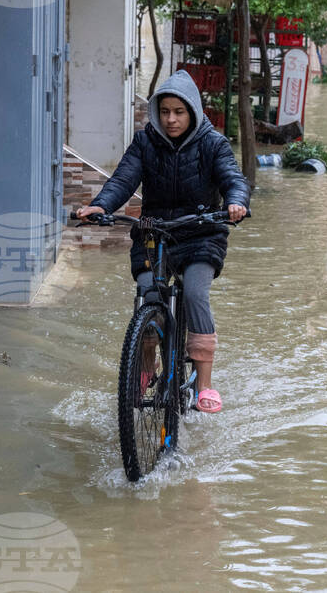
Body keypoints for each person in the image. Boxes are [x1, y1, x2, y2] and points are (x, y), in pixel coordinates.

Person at [77, 70, 250, 413]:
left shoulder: (213, 143)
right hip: (154, 234)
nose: (171, 119)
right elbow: (123, 179)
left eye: (179, 112)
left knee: (195, 293)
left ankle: (204, 385)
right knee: (147, 297)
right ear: (157, 112)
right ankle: (145, 366)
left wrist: (236, 201)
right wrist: (101, 204)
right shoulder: (145, 142)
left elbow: (233, 178)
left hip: (201, 233)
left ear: (193, 112)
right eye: (165, 111)